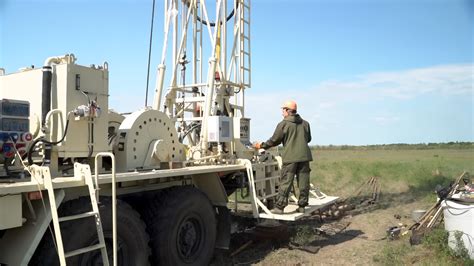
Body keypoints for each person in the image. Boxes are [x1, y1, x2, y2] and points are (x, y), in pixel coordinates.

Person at [253, 100, 313, 214]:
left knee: (286, 182)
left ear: (287, 110)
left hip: (290, 158)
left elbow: (274, 140)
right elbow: (308, 139)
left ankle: (279, 208)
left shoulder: (283, 124)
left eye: (283, 110)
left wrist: (261, 145)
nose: (282, 113)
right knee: (304, 182)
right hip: (305, 157)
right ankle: (302, 206)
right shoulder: (306, 123)